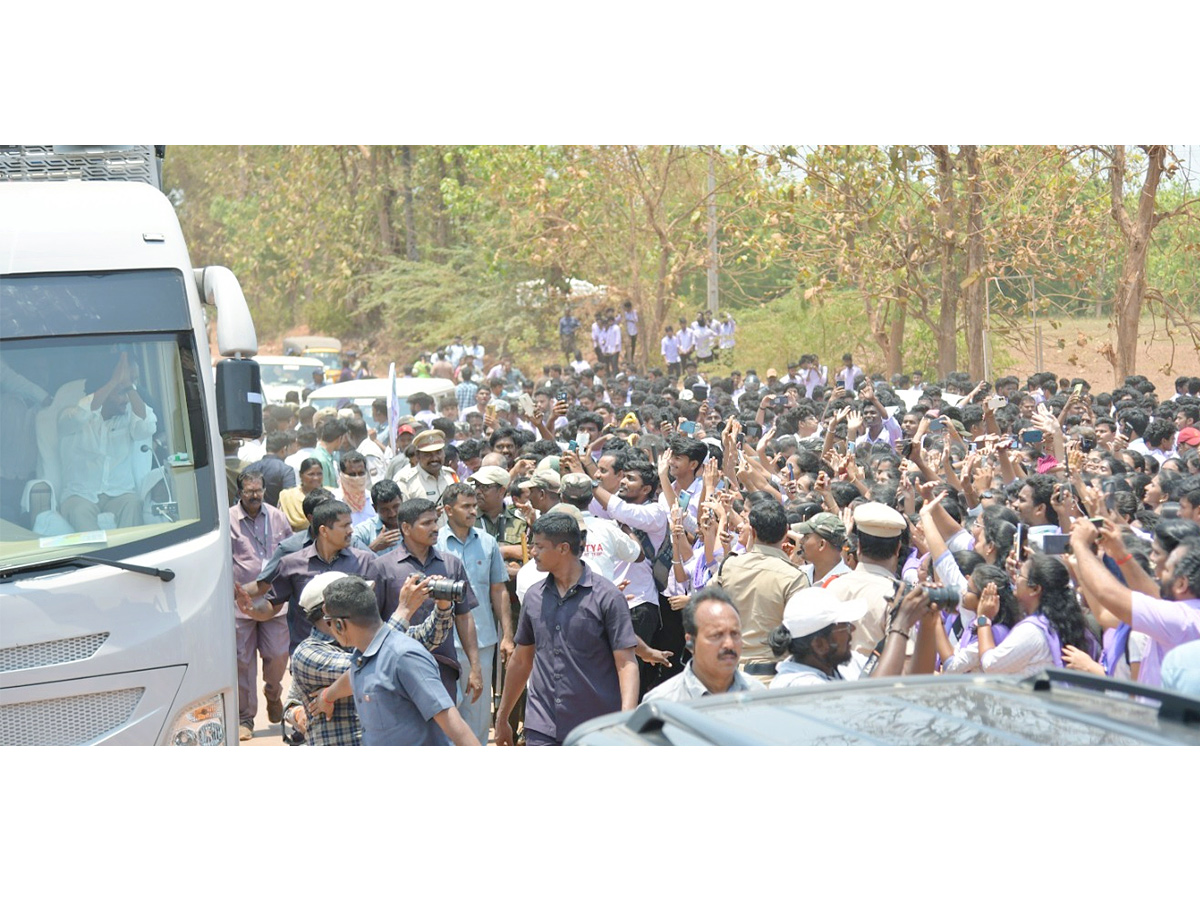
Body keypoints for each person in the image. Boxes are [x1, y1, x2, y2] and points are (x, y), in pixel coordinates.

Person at [495, 513, 640, 746]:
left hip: (595, 727)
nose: (532, 553)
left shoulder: (607, 597)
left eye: (539, 547)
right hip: (542, 725)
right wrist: (503, 717)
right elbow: (521, 661)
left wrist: (627, 719)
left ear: (563, 548)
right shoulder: (534, 597)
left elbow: (626, 663)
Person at [285, 570, 456, 746]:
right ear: (327, 611)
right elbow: (370, 664)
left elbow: (427, 637)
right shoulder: (307, 653)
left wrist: (443, 605)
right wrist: (404, 610)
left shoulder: (364, 638)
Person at [319, 575, 479, 746]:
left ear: (339, 625)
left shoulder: (403, 656)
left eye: (328, 622)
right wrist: (327, 696)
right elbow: (356, 677)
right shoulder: (362, 657)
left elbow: (456, 727)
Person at [1069, 519, 1200, 688]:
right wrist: (1120, 554)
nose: (1157, 573)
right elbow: (1152, 594)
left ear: (1181, 583)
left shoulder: (1182, 621)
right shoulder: (1187, 612)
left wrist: (1080, 546)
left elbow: (1108, 593)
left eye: (1167, 570)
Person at [374, 498, 482, 702]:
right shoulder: (383, 567)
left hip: (443, 668)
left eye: (435, 521)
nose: (435, 528)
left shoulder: (451, 565)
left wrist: (475, 667)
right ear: (406, 528)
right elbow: (374, 623)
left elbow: (464, 617)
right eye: (426, 523)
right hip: (398, 669)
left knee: (443, 731)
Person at [241, 499, 384, 652]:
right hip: (310, 655)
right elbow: (272, 606)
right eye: (344, 526)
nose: (351, 530)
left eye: (350, 524)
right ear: (324, 531)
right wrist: (252, 610)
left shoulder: (365, 561)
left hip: (356, 654)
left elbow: (377, 610)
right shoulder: (291, 564)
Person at [436, 482, 513, 745]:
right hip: (441, 642)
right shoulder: (433, 543)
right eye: (465, 506)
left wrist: (507, 636)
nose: (472, 511)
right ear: (448, 510)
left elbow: (499, 590)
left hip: (481, 641)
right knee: (444, 711)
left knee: (478, 715)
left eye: (473, 506)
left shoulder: (488, 543)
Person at [709, 501, 811, 684]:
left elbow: (704, 609)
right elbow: (803, 632)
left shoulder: (729, 566)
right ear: (785, 532)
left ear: (753, 532)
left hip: (727, 674)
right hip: (772, 679)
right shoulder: (794, 577)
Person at [57, 352, 157, 532]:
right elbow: (81, 413)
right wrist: (112, 382)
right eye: (122, 389)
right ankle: (98, 559)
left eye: (134, 383)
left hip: (120, 494)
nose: (126, 398)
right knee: (79, 511)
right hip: (80, 495)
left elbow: (146, 427)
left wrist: (128, 386)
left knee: (133, 504)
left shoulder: (131, 414)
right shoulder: (71, 417)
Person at [229, 470, 292, 741]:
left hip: (274, 599)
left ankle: (273, 692)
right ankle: (246, 718)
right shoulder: (228, 519)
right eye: (248, 491)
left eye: (258, 491)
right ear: (239, 492)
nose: (254, 496)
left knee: (278, 654)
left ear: (265, 491)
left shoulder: (277, 516)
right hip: (239, 601)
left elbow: (290, 551)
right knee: (241, 661)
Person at [975, 553, 1090, 677]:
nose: (1014, 578)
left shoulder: (1032, 631)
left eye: (1019, 575)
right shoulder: (1057, 618)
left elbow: (990, 664)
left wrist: (983, 619)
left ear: (1035, 589)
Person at [826, 502, 909, 673]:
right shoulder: (900, 596)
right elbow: (906, 664)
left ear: (859, 548)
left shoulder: (833, 586)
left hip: (833, 689)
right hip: (879, 692)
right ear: (897, 549)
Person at [642, 586, 764, 701]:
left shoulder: (759, 695)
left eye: (735, 634)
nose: (729, 644)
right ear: (690, 642)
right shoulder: (664, 702)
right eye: (716, 635)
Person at [768, 587, 868, 688]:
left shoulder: (847, 662)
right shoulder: (800, 685)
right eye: (845, 625)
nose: (852, 628)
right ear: (819, 645)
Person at [395, 429, 456, 506]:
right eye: (428, 454)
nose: (434, 458)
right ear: (417, 456)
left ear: (444, 453)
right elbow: (402, 514)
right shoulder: (406, 483)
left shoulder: (450, 475)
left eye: (438, 452)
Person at [243, 431, 297, 508]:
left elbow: (239, 498)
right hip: (276, 517)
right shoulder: (286, 470)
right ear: (284, 449)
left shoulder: (249, 468)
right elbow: (289, 500)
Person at [351, 478, 404, 555]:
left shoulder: (414, 525)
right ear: (375, 508)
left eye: (396, 506)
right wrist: (373, 548)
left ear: (402, 500)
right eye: (385, 509)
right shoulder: (363, 532)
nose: (392, 514)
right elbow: (351, 562)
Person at [277, 457, 324, 533]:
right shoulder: (288, 496)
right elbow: (280, 524)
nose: (316, 478)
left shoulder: (329, 495)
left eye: (319, 474)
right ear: (300, 475)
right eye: (311, 474)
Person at [331, 450, 375, 527]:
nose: (357, 478)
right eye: (352, 474)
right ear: (342, 475)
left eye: (361, 473)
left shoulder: (372, 499)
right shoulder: (334, 501)